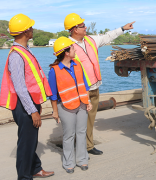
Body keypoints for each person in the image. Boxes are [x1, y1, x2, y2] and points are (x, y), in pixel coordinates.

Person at [64, 13, 135, 155]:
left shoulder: (90, 40)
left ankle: (88, 146)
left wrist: (122, 28)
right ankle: (78, 147)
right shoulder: (67, 46)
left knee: (90, 119)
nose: (85, 27)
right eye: (82, 25)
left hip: (94, 87)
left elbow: (107, 36)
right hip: (81, 90)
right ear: (74, 29)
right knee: (80, 121)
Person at [0, 14, 54, 179]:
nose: (32, 29)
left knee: (31, 140)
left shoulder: (24, 50)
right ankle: (24, 177)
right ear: (25, 32)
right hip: (25, 106)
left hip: (30, 103)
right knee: (25, 144)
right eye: (30, 27)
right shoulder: (17, 56)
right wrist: (32, 111)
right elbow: (21, 88)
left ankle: (35, 168)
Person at [48, 37, 92, 173]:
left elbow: (85, 85)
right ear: (66, 52)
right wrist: (55, 112)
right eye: (73, 48)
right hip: (65, 106)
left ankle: (82, 160)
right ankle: (68, 163)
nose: (75, 50)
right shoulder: (54, 71)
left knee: (81, 132)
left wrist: (88, 101)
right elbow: (53, 95)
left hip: (82, 104)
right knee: (69, 135)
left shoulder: (77, 65)